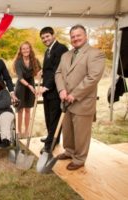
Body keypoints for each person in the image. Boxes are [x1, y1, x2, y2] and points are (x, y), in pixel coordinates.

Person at [55, 24, 105, 170]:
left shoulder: (95, 54)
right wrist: (61, 90)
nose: (75, 38)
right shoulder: (66, 55)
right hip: (65, 100)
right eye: (73, 36)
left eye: (78, 35)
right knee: (68, 130)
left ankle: (79, 159)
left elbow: (93, 77)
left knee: (81, 133)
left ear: (85, 36)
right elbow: (58, 73)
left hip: (82, 101)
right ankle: (69, 151)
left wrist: (74, 95)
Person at [38, 27, 68, 153]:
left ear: (53, 35)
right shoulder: (47, 51)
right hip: (47, 91)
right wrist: (42, 72)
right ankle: (52, 138)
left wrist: (47, 86)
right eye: (43, 38)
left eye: (47, 36)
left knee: (55, 117)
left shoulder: (61, 49)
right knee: (48, 117)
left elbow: (57, 70)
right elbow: (49, 69)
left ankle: (50, 144)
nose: (45, 39)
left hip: (56, 89)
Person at [12, 41, 41, 138]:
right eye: (23, 48)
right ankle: (19, 131)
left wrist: (38, 84)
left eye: (27, 48)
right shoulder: (18, 62)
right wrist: (30, 86)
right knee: (20, 110)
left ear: (30, 49)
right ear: (20, 50)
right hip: (21, 87)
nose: (25, 50)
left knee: (28, 110)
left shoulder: (35, 60)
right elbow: (20, 77)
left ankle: (26, 131)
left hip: (31, 86)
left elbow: (38, 74)